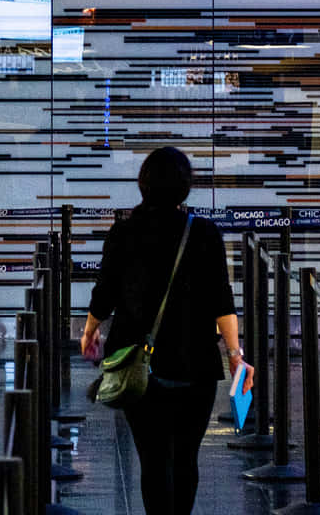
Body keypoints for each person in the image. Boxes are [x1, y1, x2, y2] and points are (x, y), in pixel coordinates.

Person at [82, 147, 243, 515]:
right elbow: (223, 301)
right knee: (186, 459)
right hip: (196, 366)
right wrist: (235, 355)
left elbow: (103, 294)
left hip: (140, 366)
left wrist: (89, 332)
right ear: (186, 188)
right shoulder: (204, 233)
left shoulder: (123, 232)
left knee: (153, 460)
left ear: (144, 185)